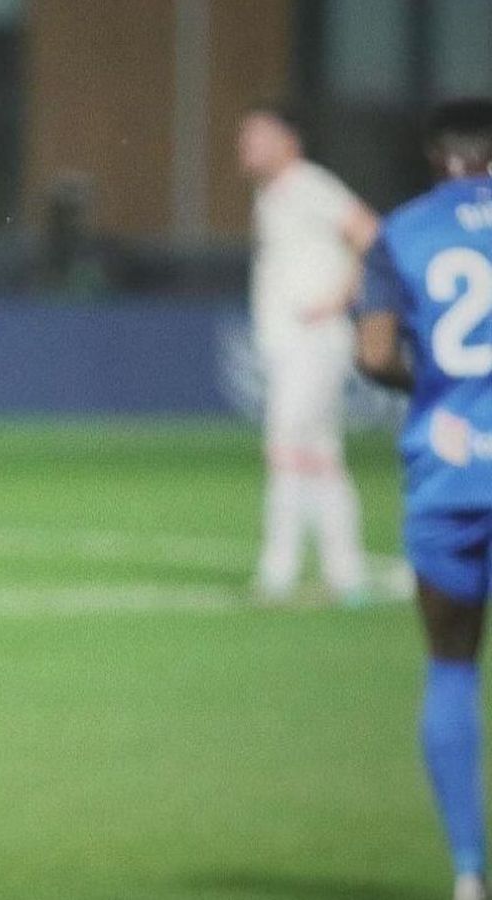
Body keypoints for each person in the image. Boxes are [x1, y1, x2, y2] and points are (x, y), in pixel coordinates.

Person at [354, 97, 492, 900]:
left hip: (447, 476)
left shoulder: (401, 232)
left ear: (439, 159)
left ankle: (470, 873)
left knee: (450, 669)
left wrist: (436, 385)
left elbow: (374, 355)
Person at [238, 103, 379, 604]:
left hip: (313, 342)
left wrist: (339, 299)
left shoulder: (308, 185)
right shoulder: (270, 196)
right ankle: (348, 572)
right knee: (320, 456)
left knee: (286, 448)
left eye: (257, 136)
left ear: (287, 140)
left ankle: (279, 568)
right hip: (290, 344)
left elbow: (369, 233)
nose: (246, 146)